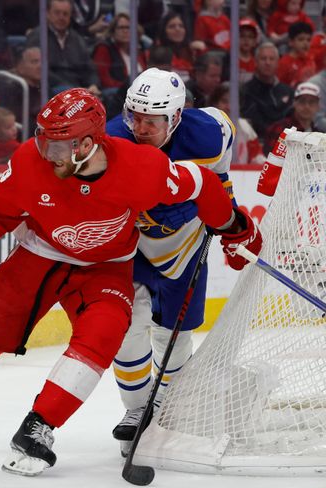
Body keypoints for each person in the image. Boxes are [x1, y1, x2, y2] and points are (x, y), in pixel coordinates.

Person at [0, 88, 261, 477]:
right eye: (43, 140)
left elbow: (204, 186)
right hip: (40, 257)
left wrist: (234, 227)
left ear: (88, 144)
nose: (46, 153)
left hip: (106, 267)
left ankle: (39, 426)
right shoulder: (29, 161)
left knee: (105, 333)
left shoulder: (142, 168)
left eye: (57, 145)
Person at [105, 68, 241, 455]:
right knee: (126, 324)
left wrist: (221, 206)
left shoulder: (209, 133)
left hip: (183, 244)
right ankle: (136, 411)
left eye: (152, 120)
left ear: (177, 117)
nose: (141, 128)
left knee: (173, 333)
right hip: (130, 244)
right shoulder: (113, 140)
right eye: (135, 116)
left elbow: (220, 168)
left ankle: (166, 408)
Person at [25, 0, 100, 95]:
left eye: (65, 14)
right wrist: (73, 88)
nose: (61, 17)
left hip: (80, 90)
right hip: (53, 90)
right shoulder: (37, 37)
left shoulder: (78, 39)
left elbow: (89, 69)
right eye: (57, 13)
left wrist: (93, 84)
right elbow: (40, 70)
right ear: (47, 14)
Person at [241, 42, 294, 140]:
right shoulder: (245, 91)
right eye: (263, 58)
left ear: (278, 63)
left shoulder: (288, 91)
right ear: (256, 62)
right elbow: (255, 124)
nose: (268, 62)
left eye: (271, 59)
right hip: (260, 142)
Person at [0, 46, 42, 135]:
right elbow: (15, 123)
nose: (40, 66)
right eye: (34, 62)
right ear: (20, 67)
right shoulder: (11, 90)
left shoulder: (44, 85)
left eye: (42, 62)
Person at [264, 81, 324, 152]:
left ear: (318, 106)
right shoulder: (279, 129)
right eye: (302, 101)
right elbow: (270, 158)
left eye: (311, 102)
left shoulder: (320, 135)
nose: (306, 106)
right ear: (294, 103)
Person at [277, 21, 316, 88]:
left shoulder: (311, 60)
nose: (305, 43)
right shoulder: (284, 63)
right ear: (291, 42)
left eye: (308, 40)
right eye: (301, 39)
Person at [238, 18, 261, 83]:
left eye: (250, 37)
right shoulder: (229, 61)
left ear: (255, 41)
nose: (246, 40)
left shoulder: (257, 63)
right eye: (242, 36)